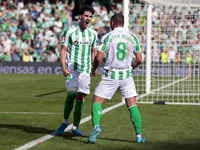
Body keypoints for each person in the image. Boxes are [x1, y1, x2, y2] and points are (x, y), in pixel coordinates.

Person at [87, 13, 146, 144]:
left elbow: (98, 58)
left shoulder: (108, 36)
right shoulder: (133, 37)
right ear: (123, 23)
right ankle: (138, 136)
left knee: (97, 101)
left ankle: (96, 127)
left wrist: (95, 68)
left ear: (112, 23)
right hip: (126, 75)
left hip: (110, 75)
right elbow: (140, 59)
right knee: (132, 105)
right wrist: (131, 68)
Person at [56, 5, 97, 136]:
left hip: (85, 70)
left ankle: (75, 127)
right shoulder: (70, 31)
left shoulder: (93, 33)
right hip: (72, 68)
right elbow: (63, 50)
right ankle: (64, 122)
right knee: (71, 94)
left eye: (90, 16)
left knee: (81, 97)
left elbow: (94, 51)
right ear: (80, 16)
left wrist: (94, 67)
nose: (88, 18)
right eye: (86, 15)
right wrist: (63, 67)